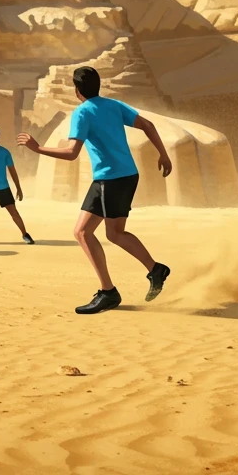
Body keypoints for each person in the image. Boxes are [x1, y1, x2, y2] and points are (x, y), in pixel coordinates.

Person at [18, 65, 172, 314]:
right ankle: (155, 270)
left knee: (82, 232)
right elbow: (149, 126)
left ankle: (109, 292)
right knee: (115, 233)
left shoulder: (82, 113)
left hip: (108, 179)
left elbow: (71, 153)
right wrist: (163, 155)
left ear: (77, 90)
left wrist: (37, 149)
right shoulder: (113, 105)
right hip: (128, 175)